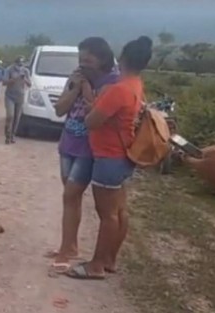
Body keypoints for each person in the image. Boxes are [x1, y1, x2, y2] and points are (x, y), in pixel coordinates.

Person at [65, 36, 153, 280]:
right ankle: (110, 260)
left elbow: (91, 121)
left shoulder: (118, 90)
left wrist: (88, 96)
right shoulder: (136, 85)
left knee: (107, 215)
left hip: (108, 157)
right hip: (123, 155)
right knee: (119, 210)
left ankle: (95, 266)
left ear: (121, 59)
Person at [45, 37, 119, 271]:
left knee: (70, 194)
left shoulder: (112, 82)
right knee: (71, 197)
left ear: (102, 59)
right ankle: (69, 245)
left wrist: (87, 90)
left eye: (88, 59)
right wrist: (74, 87)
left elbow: (98, 113)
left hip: (90, 147)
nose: (83, 63)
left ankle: (68, 250)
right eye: (81, 59)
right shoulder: (76, 77)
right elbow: (59, 110)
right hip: (68, 142)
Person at [2, 56, 31, 144]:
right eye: (18, 64)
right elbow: (4, 82)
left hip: (20, 96)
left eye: (21, 64)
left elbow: (30, 84)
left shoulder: (25, 71)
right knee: (10, 115)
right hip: (10, 96)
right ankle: (7, 134)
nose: (19, 66)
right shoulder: (9, 70)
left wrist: (24, 79)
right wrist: (14, 79)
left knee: (17, 118)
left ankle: (12, 135)